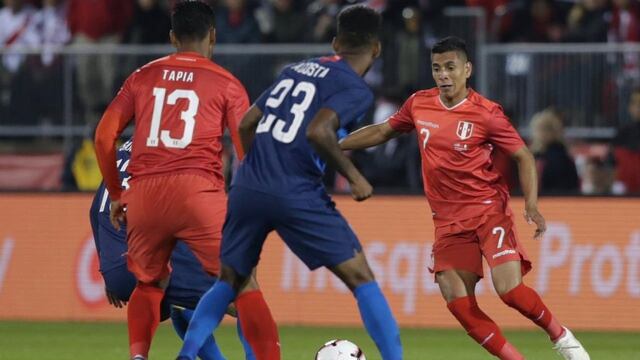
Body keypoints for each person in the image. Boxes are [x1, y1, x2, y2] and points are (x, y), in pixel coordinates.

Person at [340, 36, 590, 360]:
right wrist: (337, 144)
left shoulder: (487, 114)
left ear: (467, 69)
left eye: (450, 67)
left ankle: (562, 338)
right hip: (446, 221)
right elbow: (382, 131)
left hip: (487, 211)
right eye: (436, 68)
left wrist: (531, 205)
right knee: (457, 301)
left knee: (510, 291)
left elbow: (524, 156)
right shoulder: (419, 103)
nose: (443, 74)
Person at [178, 5, 403, 360]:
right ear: (376, 48)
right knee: (361, 277)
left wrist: (256, 169)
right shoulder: (355, 89)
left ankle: (186, 355)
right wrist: (355, 177)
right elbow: (319, 131)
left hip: (248, 185)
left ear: (335, 41)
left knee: (229, 280)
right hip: (295, 188)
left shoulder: (294, 69)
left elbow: (246, 124)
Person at [93, 2, 279, 359]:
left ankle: (138, 356)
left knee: (149, 283)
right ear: (213, 35)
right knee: (243, 284)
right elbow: (246, 154)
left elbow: (103, 136)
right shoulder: (227, 83)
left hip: (145, 194)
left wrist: (118, 193)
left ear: (172, 37)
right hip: (199, 191)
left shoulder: (142, 76)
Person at [89, 139, 256, 360]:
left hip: (117, 272)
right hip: (145, 256)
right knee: (241, 292)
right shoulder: (170, 150)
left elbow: (94, 210)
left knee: (179, 304)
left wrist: (107, 269)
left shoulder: (122, 153)